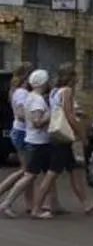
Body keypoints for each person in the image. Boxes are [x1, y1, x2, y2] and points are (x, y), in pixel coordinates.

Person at [42, 65, 93, 216]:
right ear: (71, 77)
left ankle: (86, 203)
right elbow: (69, 116)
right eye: (76, 76)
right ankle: (39, 203)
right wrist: (82, 134)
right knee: (53, 172)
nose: (78, 79)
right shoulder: (66, 91)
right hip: (66, 136)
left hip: (58, 135)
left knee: (74, 170)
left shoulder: (54, 92)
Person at [18, 69, 55, 218]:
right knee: (29, 175)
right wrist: (51, 114)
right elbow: (37, 122)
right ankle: (7, 202)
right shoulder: (38, 100)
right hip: (37, 142)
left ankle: (44, 203)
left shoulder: (31, 97)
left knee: (43, 173)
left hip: (35, 141)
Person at [0, 73, 32, 216]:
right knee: (27, 171)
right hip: (22, 132)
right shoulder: (22, 93)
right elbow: (20, 114)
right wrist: (37, 117)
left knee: (27, 171)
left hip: (20, 132)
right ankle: (6, 202)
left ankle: (30, 203)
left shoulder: (18, 91)